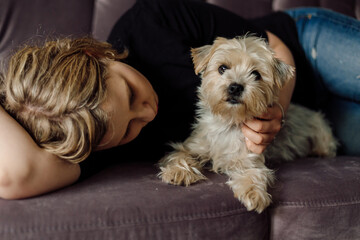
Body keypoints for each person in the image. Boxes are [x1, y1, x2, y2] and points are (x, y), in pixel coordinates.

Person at [0, 0, 359, 199]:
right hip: (318, 121)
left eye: (131, 92)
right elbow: (18, 174)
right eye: (130, 130)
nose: (148, 112)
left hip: (305, 47)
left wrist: (273, 109)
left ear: (98, 54)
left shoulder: (151, 20)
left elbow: (275, 49)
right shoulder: (100, 138)